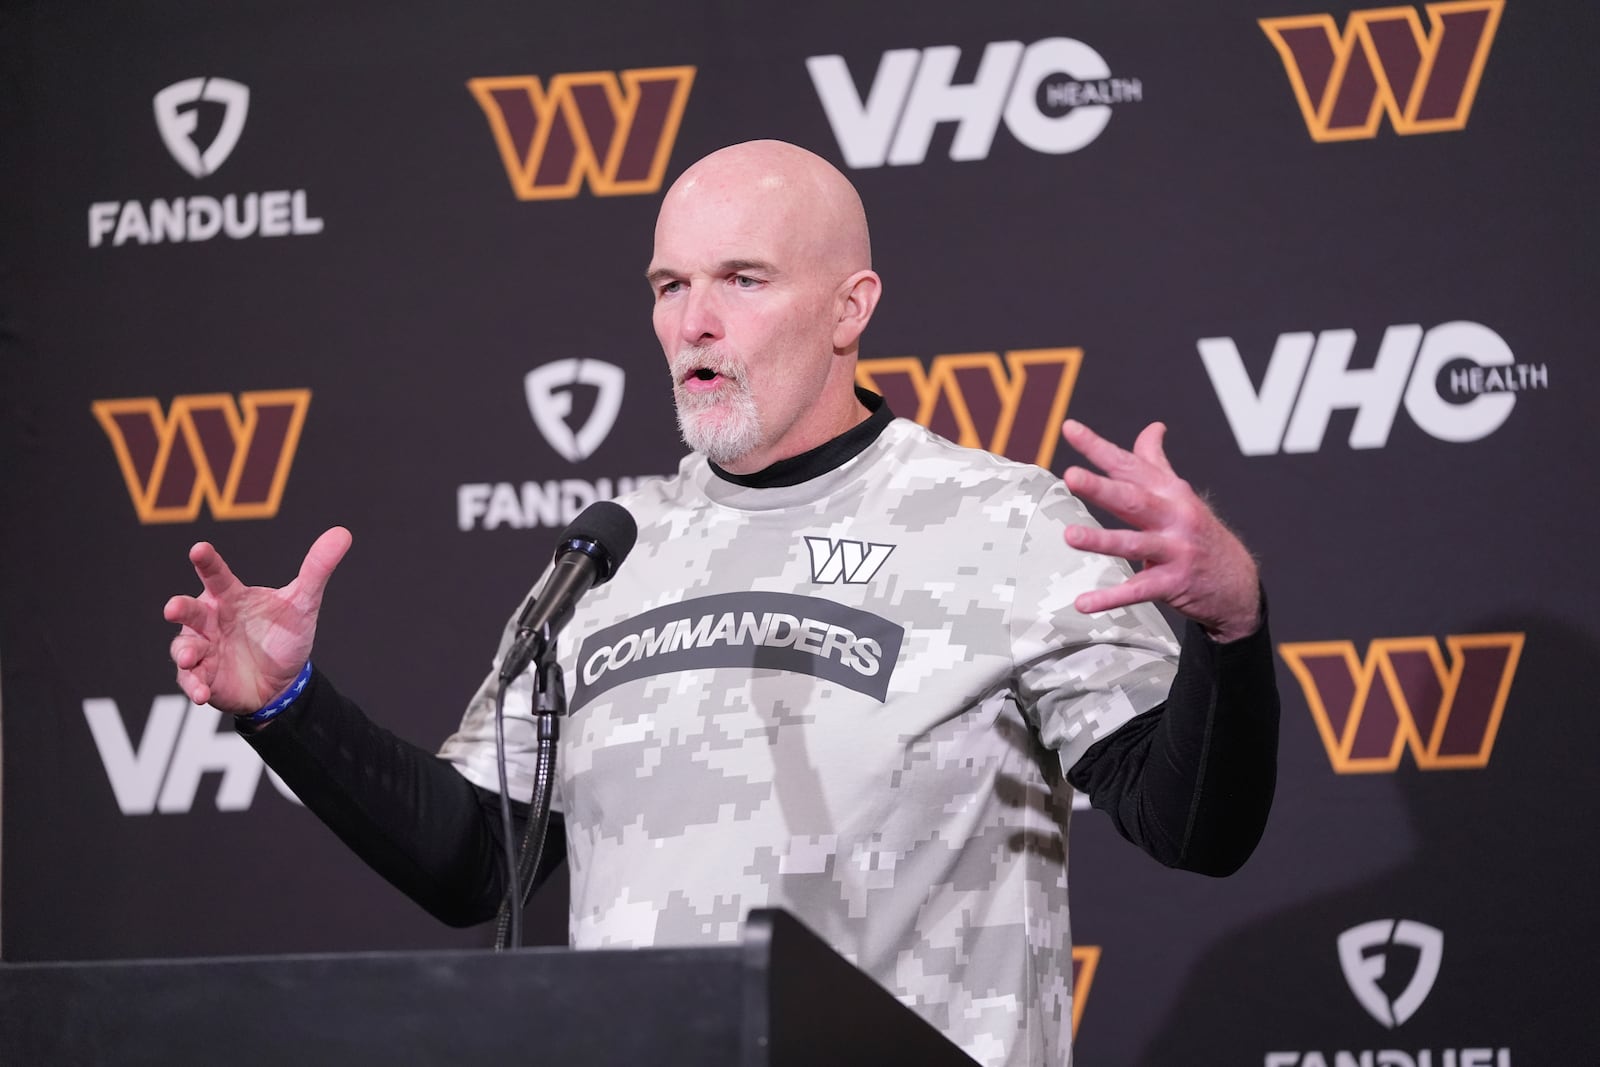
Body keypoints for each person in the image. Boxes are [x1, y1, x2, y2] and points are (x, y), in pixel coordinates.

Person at [164, 140, 1278, 1067]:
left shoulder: (1002, 521)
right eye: (669, 285)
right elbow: (475, 862)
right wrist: (288, 707)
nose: (693, 319)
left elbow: (1193, 826)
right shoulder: (610, 558)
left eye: (741, 279)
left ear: (850, 308)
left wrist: (1228, 629)